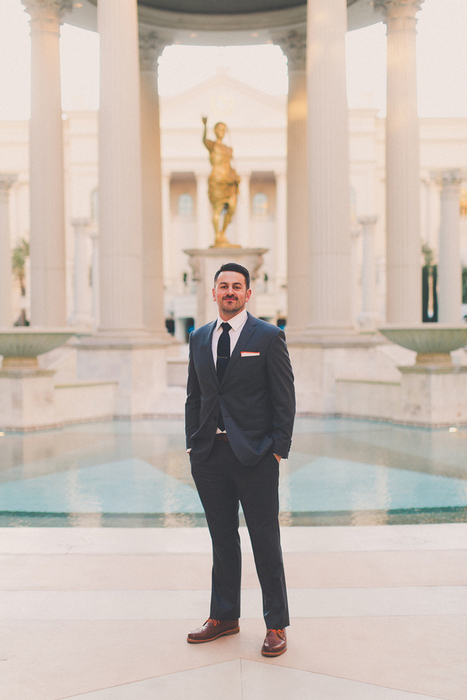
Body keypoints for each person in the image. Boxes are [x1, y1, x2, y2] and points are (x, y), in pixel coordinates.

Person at [185, 262, 295, 657]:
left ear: (249, 294)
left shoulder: (268, 336)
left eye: (236, 286)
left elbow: (285, 397)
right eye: (223, 286)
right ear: (212, 293)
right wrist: (192, 445)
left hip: (256, 457)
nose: (229, 292)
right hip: (210, 457)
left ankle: (276, 625)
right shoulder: (198, 337)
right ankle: (224, 616)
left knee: (265, 541)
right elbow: (194, 397)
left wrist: (278, 448)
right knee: (222, 540)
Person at [202, 117, 240, 247]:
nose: (222, 132)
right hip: (217, 180)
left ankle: (222, 234)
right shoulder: (213, 145)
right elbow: (204, 141)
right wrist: (205, 126)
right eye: (219, 129)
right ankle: (217, 236)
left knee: (232, 207)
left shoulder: (228, 148)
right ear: (215, 131)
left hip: (229, 180)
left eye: (224, 129)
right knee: (217, 208)